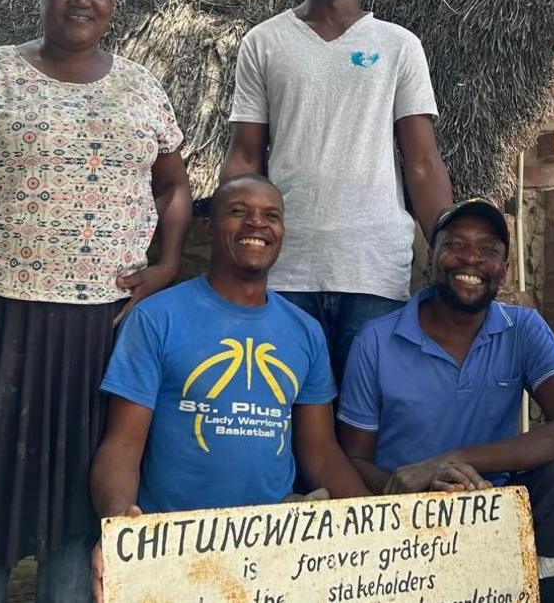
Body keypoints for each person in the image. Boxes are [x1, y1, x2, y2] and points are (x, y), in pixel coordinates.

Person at [0, 0, 190, 603]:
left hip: (101, 333)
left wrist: (167, 263)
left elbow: (174, 185)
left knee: (78, 515)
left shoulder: (141, 89)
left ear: (113, 4)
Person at [90, 173, 371, 599]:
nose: (256, 225)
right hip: (175, 546)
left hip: (275, 548)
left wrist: (376, 520)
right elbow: (122, 444)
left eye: (270, 216)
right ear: (209, 226)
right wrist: (118, 524)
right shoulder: (157, 318)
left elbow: (321, 451)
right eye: (238, 212)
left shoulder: (305, 332)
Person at [222, 0, 453, 380]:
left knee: (363, 420)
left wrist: (446, 247)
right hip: (285, 267)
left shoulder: (398, 45)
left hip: (374, 267)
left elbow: (423, 163)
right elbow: (245, 155)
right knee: (280, 410)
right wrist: (235, 244)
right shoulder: (264, 42)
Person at [338, 197, 554, 603]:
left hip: (494, 511)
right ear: (431, 258)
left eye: (488, 250)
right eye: (455, 244)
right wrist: (420, 485)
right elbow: (354, 460)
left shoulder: (522, 328)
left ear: (503, 269)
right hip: (406, 524)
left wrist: (449, 463)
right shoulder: (376, 341)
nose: (470, 258)